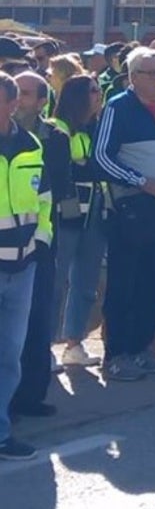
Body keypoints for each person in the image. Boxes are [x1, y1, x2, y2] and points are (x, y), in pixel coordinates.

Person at [94, 47, 155, 382]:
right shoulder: (119, 107)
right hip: (132, 213)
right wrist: (141, 181)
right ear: (133, 77)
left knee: (152, 283)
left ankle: (140, 349)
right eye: (153, 73)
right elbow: (101, 157)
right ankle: (116, 355)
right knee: (124, 284)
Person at [8, 73, 69, 418]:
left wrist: (40, 241)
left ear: (43, 101)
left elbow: (52, 191)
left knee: (36, 322)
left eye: (27, 94)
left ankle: (30, 396)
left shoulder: (50, 138)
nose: (20, 101)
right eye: (17, 93)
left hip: (38, 246)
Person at [0, 72, 52, 460]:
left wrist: (40, 242)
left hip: (23, 266)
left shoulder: (31, 144)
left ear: (12, 104)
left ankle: (1, 433)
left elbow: (44, 200)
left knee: (9, 358)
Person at [52, 75, 105, 367]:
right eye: (93, 91)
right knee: (56, 283)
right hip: (66, 214)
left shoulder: (97, 127)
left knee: (86, 282)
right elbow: (66, 170)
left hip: (95, 213)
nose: (99, 96)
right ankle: (45, 345)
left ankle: (75, 343)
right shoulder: (58, 129)